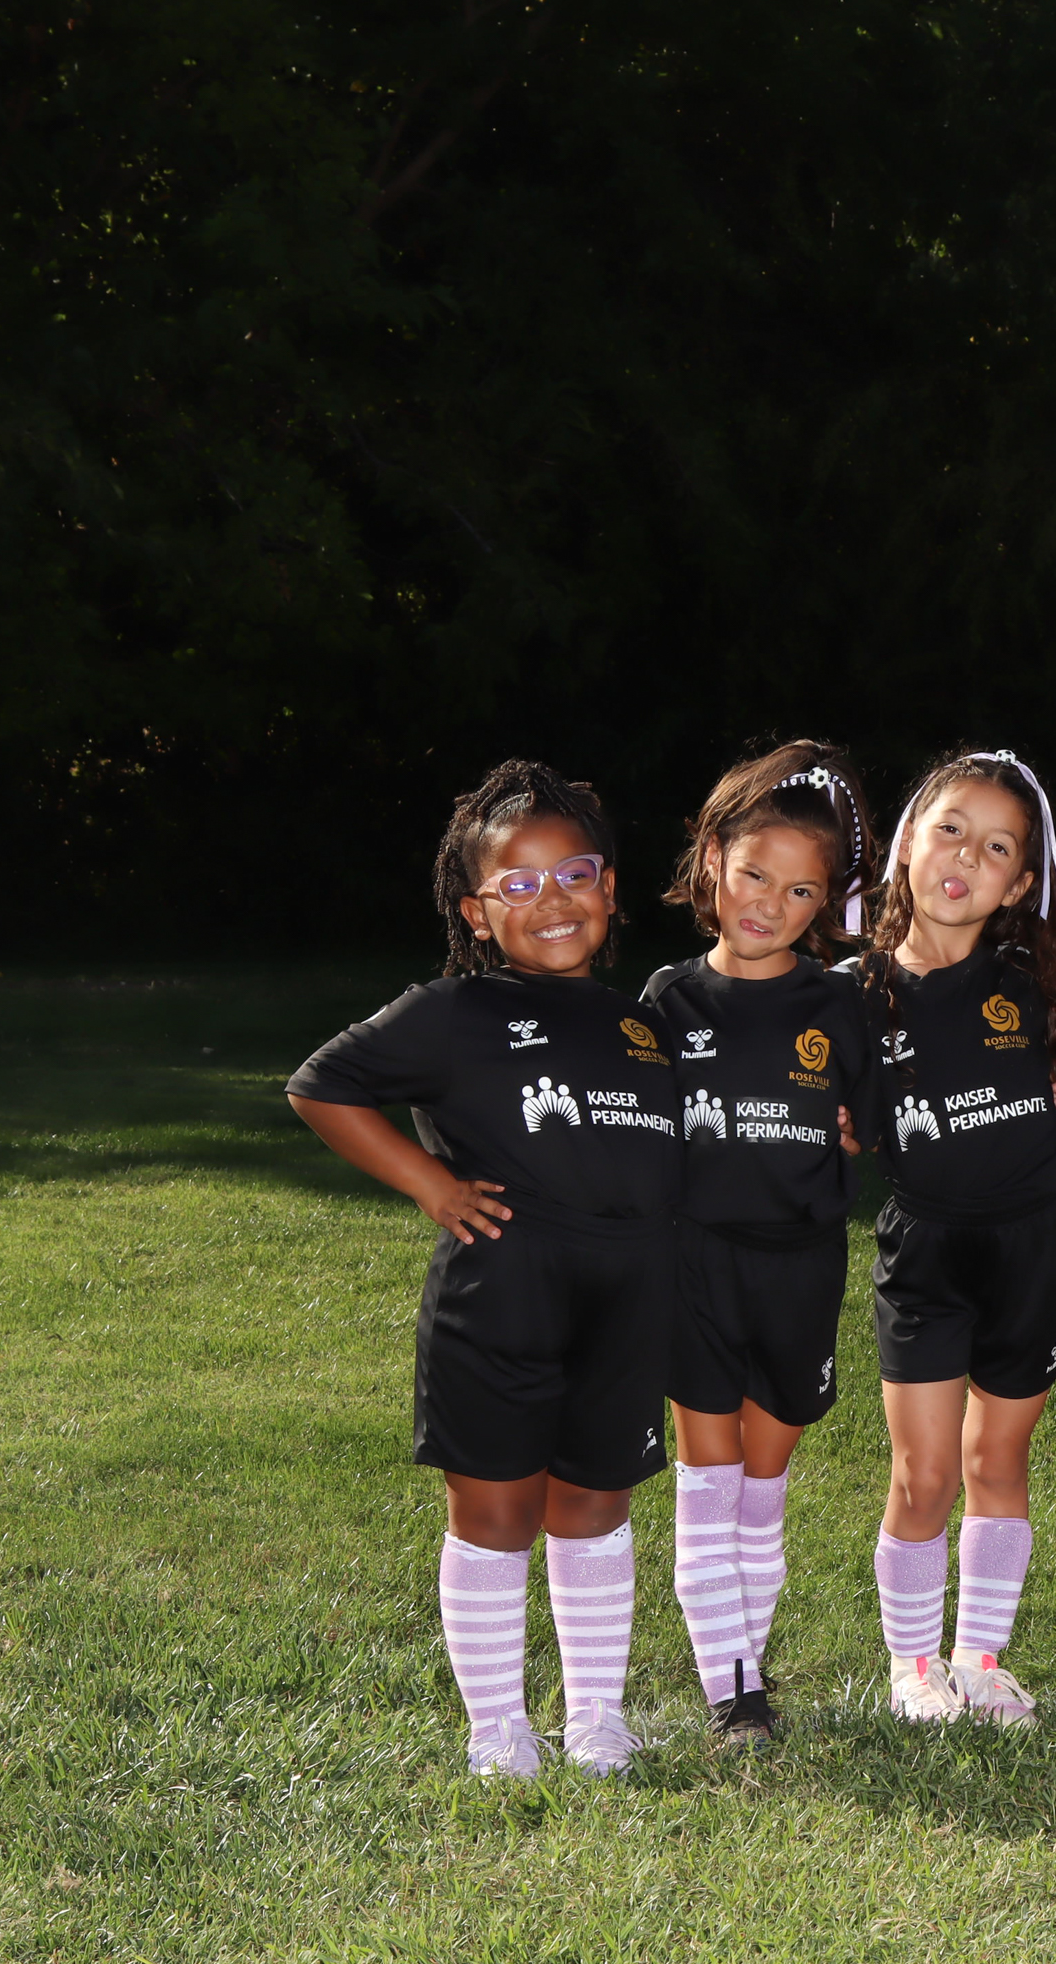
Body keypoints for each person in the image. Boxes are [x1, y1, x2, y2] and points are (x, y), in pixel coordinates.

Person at [286, 762, 681, 1779]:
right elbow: (321, 1085)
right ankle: (498, 1729)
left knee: (594, 1506)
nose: (553, 899)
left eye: (575, 874)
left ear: (609, 888)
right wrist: (430, 1182)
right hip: (501, 1299)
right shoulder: (454, 1010)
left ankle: (596, 1719)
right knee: (497, 1513)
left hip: (627, 1301)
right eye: (519, 883)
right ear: (476, 909)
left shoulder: (643, 1025)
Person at [641, 742, 876, 1748]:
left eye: (799, 890)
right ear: (712, 863)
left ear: (824, 902)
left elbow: (875, 1118)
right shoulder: (666, 999)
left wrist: (856, 1126)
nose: (769, 903)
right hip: (693, 1261)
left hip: (802, 1265)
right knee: (710, 1471)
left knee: (762, 1485)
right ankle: (734, 1691)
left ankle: (747, 1658)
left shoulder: (841, 1004)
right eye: (752, 875)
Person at [851, 750, 1056, 1729]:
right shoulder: (853, 994)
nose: (965, 857)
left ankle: (981, 1660)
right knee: (924, 1472)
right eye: (950, 829)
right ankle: (914, 1666)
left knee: (997, 1459)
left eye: (996, 848)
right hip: (926, 1253)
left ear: (1019, 884)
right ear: (910, 840)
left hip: (1032, 1248)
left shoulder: (1040, 984)